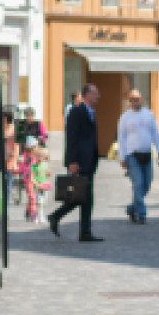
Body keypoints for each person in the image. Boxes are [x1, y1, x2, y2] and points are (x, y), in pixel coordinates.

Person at [47, 83, 102, 242]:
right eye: (95, 93)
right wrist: (72, 160)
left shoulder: (90, 112)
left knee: (84, 196)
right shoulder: (77, 111)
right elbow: (71, 137)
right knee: (83, 196)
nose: (98, 96)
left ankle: (82, 230)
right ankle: (70, 223)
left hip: (90, 160)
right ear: (87, 95)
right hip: (80, 161)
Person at [117, 90, 159, 224]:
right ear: (129, 102)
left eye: (136, 99)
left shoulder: (149, 114)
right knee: (138, 184)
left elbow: (155, 133)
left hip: (147, 153)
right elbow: (121, 138)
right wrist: (122, 157)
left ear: (141, 99)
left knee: (147, 184)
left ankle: (132, 208)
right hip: (132, 155)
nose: (134, 102)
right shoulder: (125, 117)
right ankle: (141, 213)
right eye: (131, 100)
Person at [19, 143, 48, 223]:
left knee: (32, 197)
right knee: (32, 197)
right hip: (27, 178)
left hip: (35, 179)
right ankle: (33, 214)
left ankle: (28, 212)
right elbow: (21, 166)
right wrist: (20, 171)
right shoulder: (25, 156)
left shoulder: (35, 156)